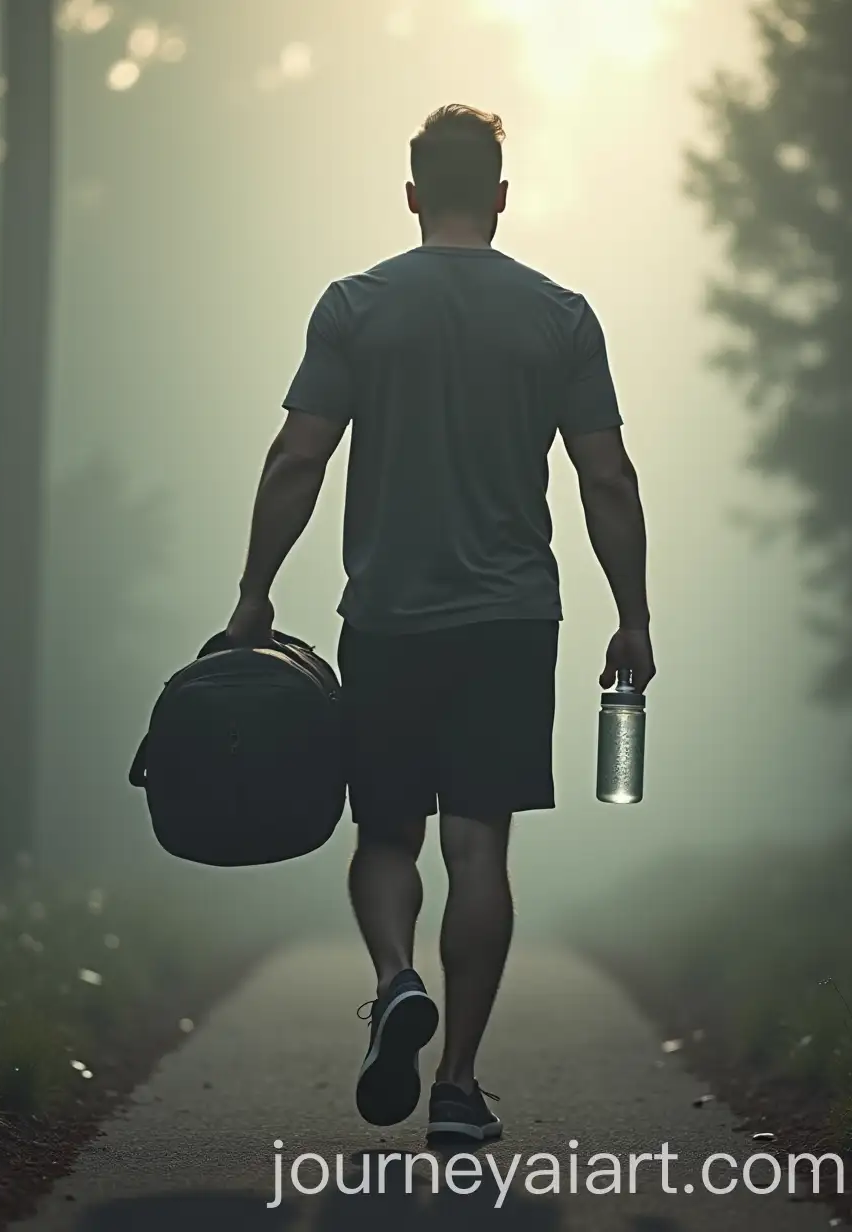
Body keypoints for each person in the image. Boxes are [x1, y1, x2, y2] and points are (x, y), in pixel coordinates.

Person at [225, 104, 655, 1142]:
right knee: (478, 846)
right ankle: (457, 1083)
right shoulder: (560, 315)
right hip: (511, 620)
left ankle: (395, 976)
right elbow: (606, 476)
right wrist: (632, 615)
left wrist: (253, 591)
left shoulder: (357, 306)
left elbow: (298, 458)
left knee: (384, 832)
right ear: (501, 197)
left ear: (411, 192)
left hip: (389, 616)